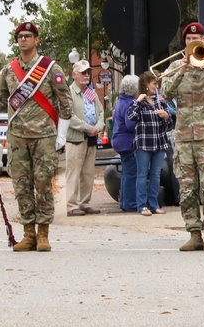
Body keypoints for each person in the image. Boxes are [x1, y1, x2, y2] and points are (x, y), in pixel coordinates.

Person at [0, 22, 73, 252]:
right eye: (20, 36)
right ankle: (28, 234)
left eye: (28, 36)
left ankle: (43, 234)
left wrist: (61, 135)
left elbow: (66, 103)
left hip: (45, 136)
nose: (23, 39)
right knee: (22, 185)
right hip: (17, 138)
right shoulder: (7, 70)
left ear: (36, 40)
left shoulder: (50, 68)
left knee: (43, 184)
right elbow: (1, 100)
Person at [162, 22, 204, 252]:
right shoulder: (175, 66)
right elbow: (165, 92)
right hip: (184, 136)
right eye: (190, 38)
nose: (194, 41)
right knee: (187, 188)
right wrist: (182, 68)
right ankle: (194, 233)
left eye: (198, 37)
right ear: (185, 42)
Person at [127, 71, 174, 216]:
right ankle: (142, 205)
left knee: (156, 174)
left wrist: (166, 117)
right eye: (154, 83)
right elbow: (131, 116)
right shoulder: (139, 102)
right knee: (142, 174)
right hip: (144, 143)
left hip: (159, 142)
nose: (157, 86)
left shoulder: (160, 101)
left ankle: (154, 204)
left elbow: (169, 125)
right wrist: (138, 101)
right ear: (146, 84)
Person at [65, 59, 105, 217]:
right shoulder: (69, 92)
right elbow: (69, 116)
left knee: (88, 172)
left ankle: (84, 203)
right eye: (83, 72)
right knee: (74, 172)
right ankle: (71, 204)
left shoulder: (91, 92)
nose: (86, 75)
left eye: (88, 72)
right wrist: (88, 128)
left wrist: (98, 127)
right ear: (74, 75)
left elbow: (101, 112)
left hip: (91, 137)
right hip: (76, 138)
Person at [111, 75, 140, 212]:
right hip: (127, 142)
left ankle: (124, 201)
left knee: (126, 172)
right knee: (131, 172)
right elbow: (130, 124)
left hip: (119, 141)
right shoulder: (130, 103)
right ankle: (129, 202)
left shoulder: (120, 101)